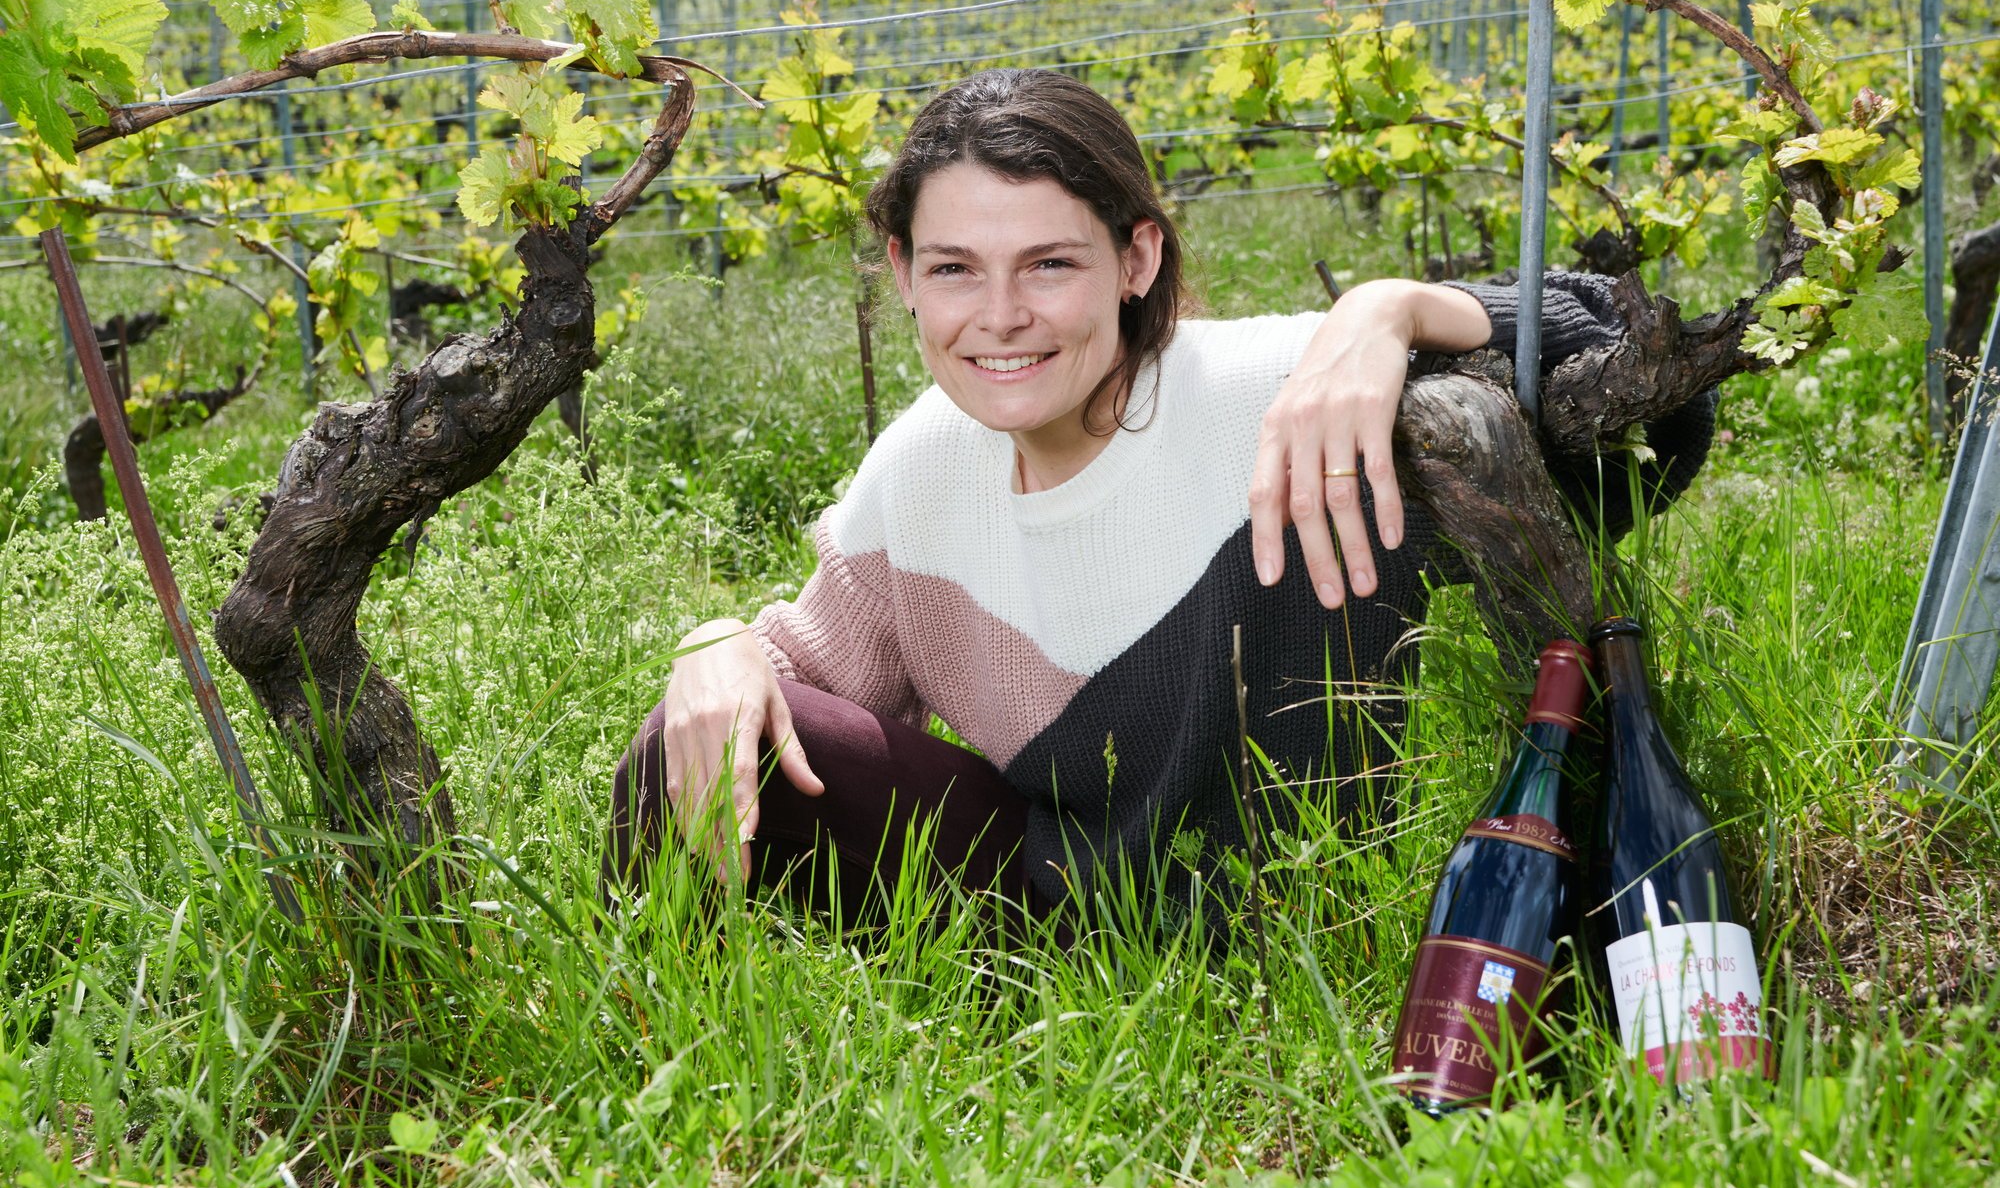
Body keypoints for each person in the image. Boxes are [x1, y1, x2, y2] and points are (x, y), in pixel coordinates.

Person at [602, 68, 1714, 936]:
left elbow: (1651, 381)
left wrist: (1390, 311)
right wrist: (712, 640)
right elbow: (796, 683)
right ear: (900, 272)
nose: (998, 315)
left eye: (1047, 264)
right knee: (687, 736)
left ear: (1135, 257)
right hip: (1045, 914)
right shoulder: (923, 464)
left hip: (1318, 922)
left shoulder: (1278, 394)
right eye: (952, 269)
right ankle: (668, 1044)